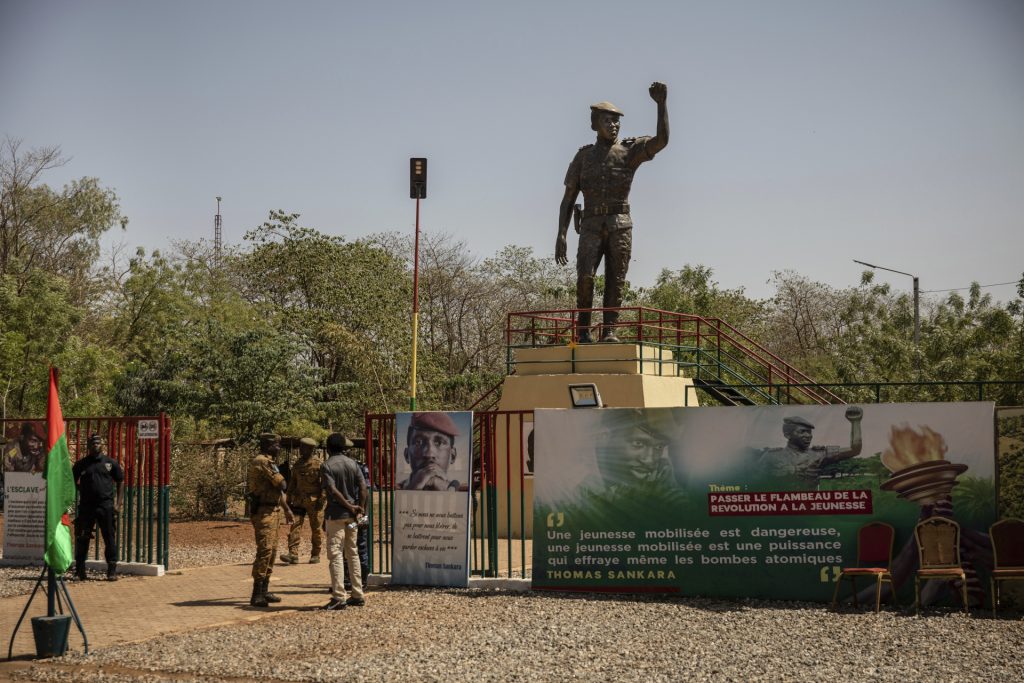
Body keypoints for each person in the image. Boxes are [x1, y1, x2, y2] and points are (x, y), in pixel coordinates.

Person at [555, 82, 669, 343]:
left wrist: (661, 104)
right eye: (608, 121)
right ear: (595, 124)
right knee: (585, 277)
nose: (614, 125)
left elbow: (661, 141)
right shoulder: (583, 157)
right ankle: (583, 330)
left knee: (615, 280)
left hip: (620, 224)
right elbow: (568, 198)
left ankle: (609, 330)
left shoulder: (630, 151)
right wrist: (561, 234)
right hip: (591, 224)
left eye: (617, 121)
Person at [246, 432, 295, 607]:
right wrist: (285, 474)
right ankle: (256, 593)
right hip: (263, 511)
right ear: (267, 445)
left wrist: (287, 509)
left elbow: (278, 491)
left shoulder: (270, 462)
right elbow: (282, 485)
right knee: (265, 550)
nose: (279, 448)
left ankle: (265, 590)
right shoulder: (263, 462)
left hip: (273, 510)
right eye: (276, 445)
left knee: (272, 551)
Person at [755, 407, 864, 483]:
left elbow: (855, 449)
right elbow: (756, 482)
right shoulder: (771, 456)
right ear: (788, 435)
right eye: (802, 432)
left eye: (809, 432)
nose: (808, 436)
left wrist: (855, 422)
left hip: (810, 509)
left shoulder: (818, 454)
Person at [320, 432, 367, 610]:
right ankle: (358, 594)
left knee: (336, 554)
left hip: (336, 516)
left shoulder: (326, 466)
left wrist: (348, 506)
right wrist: (359, 508)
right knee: (352, 552)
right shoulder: (353, 463)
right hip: (353, 518)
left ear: (328, 448)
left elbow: (332, 490)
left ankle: (339, 596)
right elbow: (363, 488)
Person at [72, 433, 124, 581]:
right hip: (86, 507)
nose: (95, 445)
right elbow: (72, 480)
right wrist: (81, 490)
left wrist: (117, 503)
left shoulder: (110, 463)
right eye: (92, 443)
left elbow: (121, 481)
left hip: (106, 506)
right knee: (82, 538)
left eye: (97, 442)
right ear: (88, 446)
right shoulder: (81, 464)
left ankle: (112, 570)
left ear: (102, 445)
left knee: (109, 538)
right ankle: (80, 571)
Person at [281, 437, 325, 565]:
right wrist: (288, 499)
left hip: (315, 501)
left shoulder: (319, 464)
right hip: (299, 501)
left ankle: (315, 554)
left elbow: (325, 485)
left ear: (310, 449)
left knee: (316, 528)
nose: (300, 450)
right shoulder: (298, 464)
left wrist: (322, 500)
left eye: (303, 447)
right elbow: (292, 483)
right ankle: (293, 554)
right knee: (295, 525)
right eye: (300, 447)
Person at [398, 412, 467, 491]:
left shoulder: (460, 490)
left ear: (453, 456)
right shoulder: (399, 488)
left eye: (439, 443)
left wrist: (447, 492)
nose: (429, 454)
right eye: (418, 442)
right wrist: (412, 488)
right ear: (407, 455)